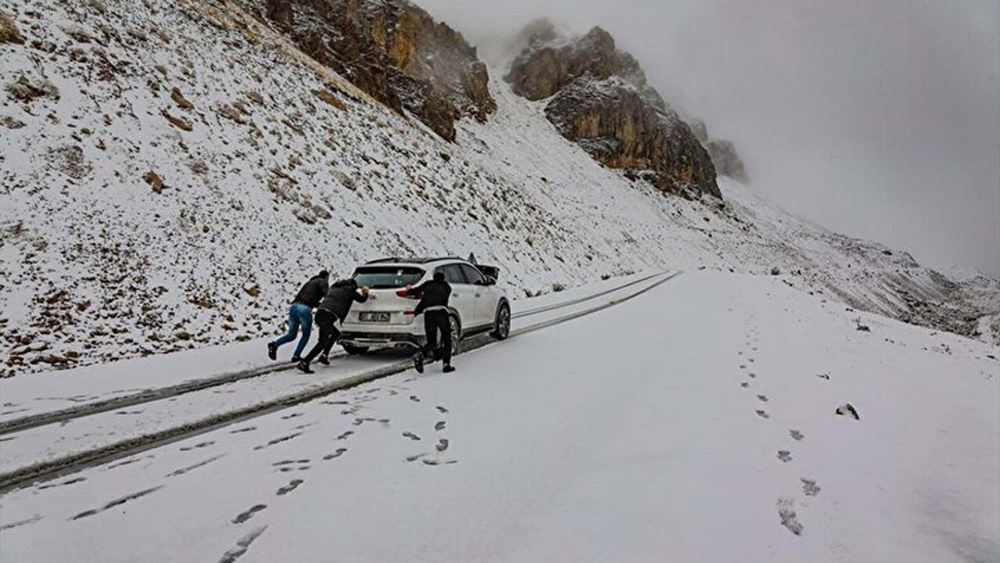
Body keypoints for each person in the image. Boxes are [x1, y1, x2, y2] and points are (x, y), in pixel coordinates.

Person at [297, 278, 370, 374]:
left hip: (320, 313)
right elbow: (362, 299)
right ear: (353, 286)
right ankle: (305, 362)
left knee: (335, 332)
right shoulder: (350, 290)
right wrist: (366, 293)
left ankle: (324, 355)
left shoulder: (334, 287)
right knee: (322, 342)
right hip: (329, 315)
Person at [400, 271, 455, 374]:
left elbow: (416, 292)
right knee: (447, 339)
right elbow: (441, 296)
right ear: (443, 279)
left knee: (431, 341)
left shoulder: (428, 284)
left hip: (429, 314)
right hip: (441, 312)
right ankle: (446, 364)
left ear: (433, 278)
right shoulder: (447, 286)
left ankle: (420, 354)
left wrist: (408, 290)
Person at [268, 270, 329, 362]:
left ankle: (274, 344)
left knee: (292, 334)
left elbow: (310, 298)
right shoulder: (323, 281)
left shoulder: (309, 283)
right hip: (304, 309)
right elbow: (326, 294)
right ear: (326, 277)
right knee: (306, 334)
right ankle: (296, 355)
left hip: (294, 307)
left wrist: (318, 305)